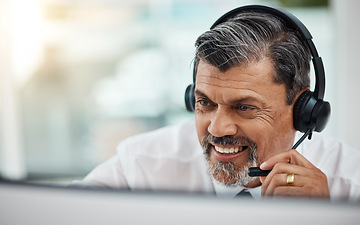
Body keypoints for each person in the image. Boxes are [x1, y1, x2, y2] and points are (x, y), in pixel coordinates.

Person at [71, 5, 360, 201]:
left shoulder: (347, 183)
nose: (218, 128)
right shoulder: (141, 166)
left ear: (303, 111)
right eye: (205, 103)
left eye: (244, 107)